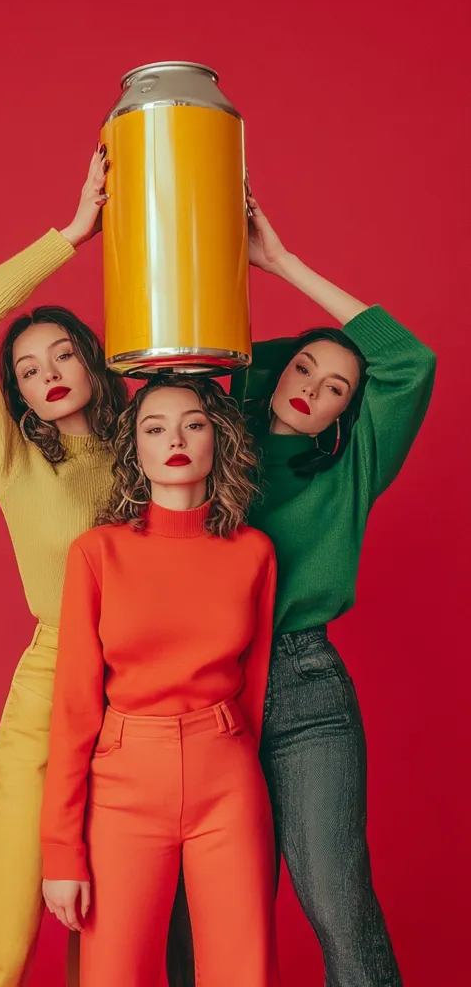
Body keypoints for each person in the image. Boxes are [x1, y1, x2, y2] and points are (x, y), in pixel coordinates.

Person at [170, 190, 436, 987]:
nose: (312, 389)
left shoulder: (353, 469)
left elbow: (411, 363)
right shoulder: (215, 445)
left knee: (335, 898)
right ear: (279, 366)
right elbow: (202, 368)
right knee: (200, 909)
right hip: (203, 683)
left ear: (346, 415)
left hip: (304, 687)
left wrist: (281, 263)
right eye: (305, 368)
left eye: (336, 390)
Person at [0, 145, 128, 987]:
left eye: (62, 355)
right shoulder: (16, 459)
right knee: (8, 919)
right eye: (27, 369)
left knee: (112, 929)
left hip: (140, 696)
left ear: (93, 358)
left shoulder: (152, 450)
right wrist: (74, 233)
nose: (47, 375)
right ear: (13, 391)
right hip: (52, 682)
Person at [40, 376, 280, 987]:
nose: (175, 439)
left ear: (219, 439)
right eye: (155, 428)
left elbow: (254, 686)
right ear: (135, 450)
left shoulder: (254, 552)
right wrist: (61, 849)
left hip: (226, 776)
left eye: (194, 424)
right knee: (111, 973)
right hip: (123, 780)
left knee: (243, 970)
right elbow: (73, 708)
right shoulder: (97, 553)